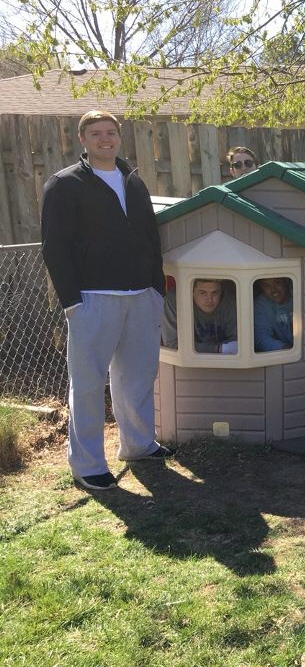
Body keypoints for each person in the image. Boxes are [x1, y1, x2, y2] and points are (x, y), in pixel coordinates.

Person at [40, 109, 172, 491]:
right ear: (82, 140)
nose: (105, 139)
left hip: (140, 296)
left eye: (110, 132)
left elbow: (150, 237)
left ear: (119, 137)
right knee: (87, 385)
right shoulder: (64, 185)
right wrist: (72, 303)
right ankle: (87, 464)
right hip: (92, 300)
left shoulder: (133, 182)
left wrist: (155, 289)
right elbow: (55, 247)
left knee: (136, 378)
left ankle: (138, 445)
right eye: (96, 133)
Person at [162, 278, 238, 354]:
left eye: (215, 292)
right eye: (203, 293)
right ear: (191, 292)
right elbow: (171, 344)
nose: (209, 300)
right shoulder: (175, 301)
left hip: (225, 363)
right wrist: (219, 349)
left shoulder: (231, 302)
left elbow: (236, 343)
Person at [254, 277, 294, 351]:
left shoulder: (299, 293)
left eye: (277, 282)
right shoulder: (262, 304)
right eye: (266, 286)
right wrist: (286, 349)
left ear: (285, 281)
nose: (273, 290)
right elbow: (261, 337)